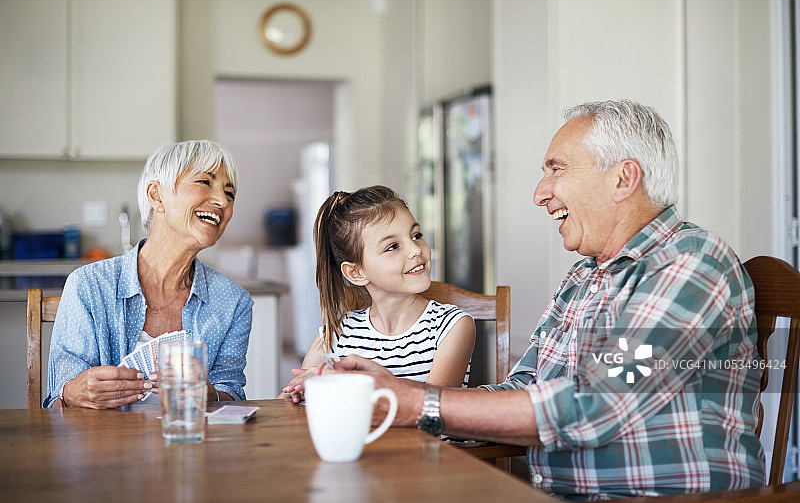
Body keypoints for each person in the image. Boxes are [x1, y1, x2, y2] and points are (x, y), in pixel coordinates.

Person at [329, 100, 765, 499]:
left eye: (557, 170)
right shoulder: (584, 276)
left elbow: (598, 404)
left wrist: (415, 403)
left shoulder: (689, 264)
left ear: (622, 178)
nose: (541, 193)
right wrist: (396, 395)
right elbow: (523, 389)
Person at [44, 140, 253, 409]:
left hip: (191, 446)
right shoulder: (88, 285)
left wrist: (207, 392)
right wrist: (73, 391)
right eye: (204, 182)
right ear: (156, 196)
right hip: (104, 446)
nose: (222, 201)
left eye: (230, 193)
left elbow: (231, 394)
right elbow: (58, 401)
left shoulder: (234, 302)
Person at [279, 185, 475, 402]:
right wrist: (299, 393)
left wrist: (358, 381)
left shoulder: (453, 326)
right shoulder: (335, 335)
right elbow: (287, 408)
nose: (416, 250)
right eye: (393, 247)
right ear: (356, 272)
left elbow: (435, 406)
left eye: (416, 235)